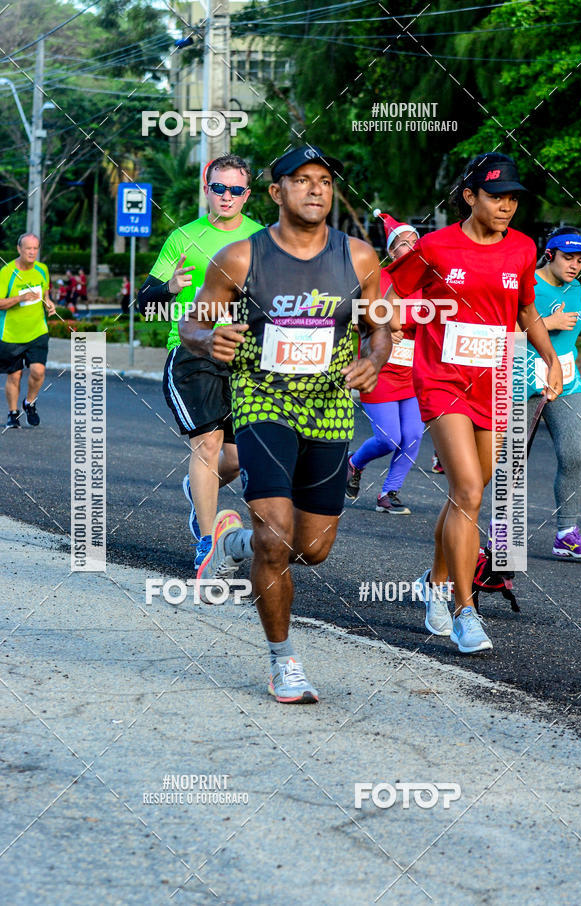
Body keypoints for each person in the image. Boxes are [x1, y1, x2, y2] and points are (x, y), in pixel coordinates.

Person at [179, 145, 390, 703]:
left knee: (313, 547)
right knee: (276, 539)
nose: (316, 190)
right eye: (302, 181)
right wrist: (209, 338)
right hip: (263, 400)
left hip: (330, 406)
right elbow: (192, 323)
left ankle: (230, 543)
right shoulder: (240, 257)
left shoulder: (361, 257)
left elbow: (380, 325)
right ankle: (283, 660)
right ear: (276, 193)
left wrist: (376, 357)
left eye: (324, 180)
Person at [387, 152, 562, 653]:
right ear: (469, 196)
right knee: (468, 489)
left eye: (512, 198)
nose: (506, 205)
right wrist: (390, 326)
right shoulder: (435, 247)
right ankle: (464, 611)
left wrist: (549, 357)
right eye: (495, 195)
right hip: (442, 377)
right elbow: (392, 294)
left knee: (467, 492)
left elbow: (526, 309)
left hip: (498, 378)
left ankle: (433, 581)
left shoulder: (525, 248)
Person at [138, 155, 262, 569]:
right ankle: (208, 541)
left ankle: (199, 489)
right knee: (207, 443)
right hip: (191, 350)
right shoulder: (182, 238)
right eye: (219, 188)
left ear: (247, 194)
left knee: (243, 454)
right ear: (207, 189)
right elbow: (143, 303)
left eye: (236, 190)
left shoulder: (262, 238)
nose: (227, 196)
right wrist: (170, 286)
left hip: (242, 354)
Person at [526, 226, 581, 559]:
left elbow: (572, 320)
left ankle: (566, 534)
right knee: (510, 463)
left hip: (567, 380)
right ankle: (500, 537)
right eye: (567, 258)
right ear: (550, 255)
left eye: (580, 260)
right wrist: (547, 324)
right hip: (523, 382)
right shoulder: (528, 283)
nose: (574, 265)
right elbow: (501, 327)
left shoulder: (574, 287)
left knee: (573, 455)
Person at [346, 210, 424, 513]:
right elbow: (354, 317)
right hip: (378, 370)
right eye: (404, 243)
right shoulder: (376, 278)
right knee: (389, 438)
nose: (412, 246)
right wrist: (380, 327)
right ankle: (354, 463)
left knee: (414, 435)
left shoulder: (427, 280)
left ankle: (389, 493)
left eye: (415, 241)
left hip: (413, 373)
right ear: (392, 251)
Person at [0, 233, 56, 428]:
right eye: (28, 249)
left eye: (35, 249)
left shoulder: (42, 270)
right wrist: (19, 298)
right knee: (14, 375)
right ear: (19, 249)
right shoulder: (6, 273)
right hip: (11, 334)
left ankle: (29, 403)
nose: (32, 252)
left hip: (37, 331)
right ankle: (13, 413)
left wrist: (49, 304)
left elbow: (45, 295)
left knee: (38, 371)